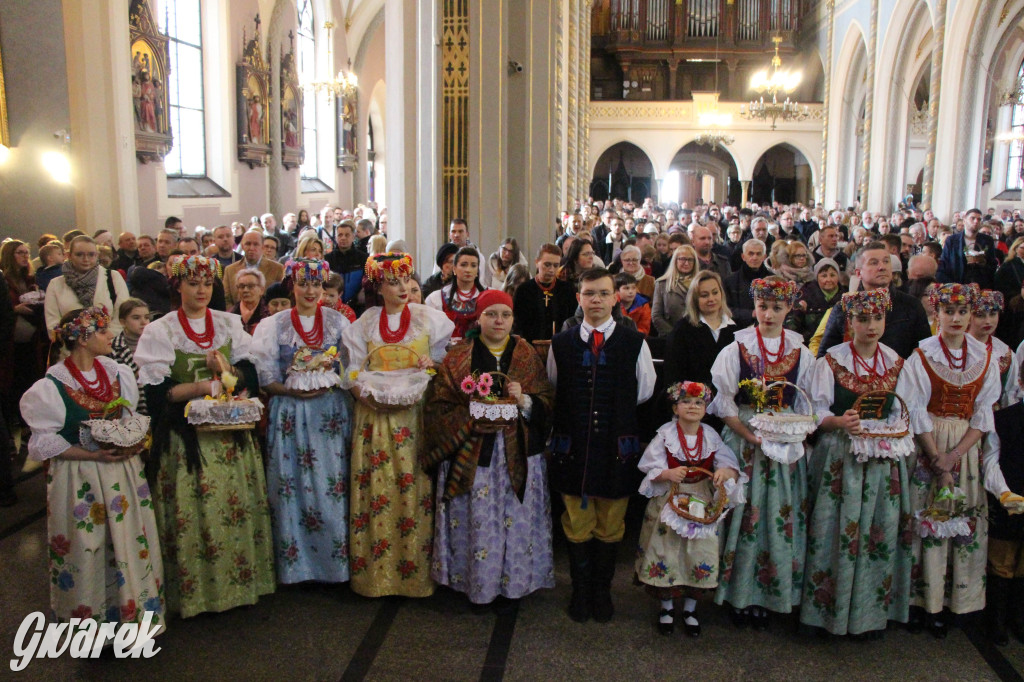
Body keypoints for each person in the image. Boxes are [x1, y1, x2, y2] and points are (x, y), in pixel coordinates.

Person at [135, 254, 275, 617]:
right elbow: (159, 393)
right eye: (193, 282)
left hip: (229, 434)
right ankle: (194, 592)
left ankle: (239, 582)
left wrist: (227, 369)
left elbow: (250, 374)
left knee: (233, 507)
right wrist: (208, 383)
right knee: (193, 511)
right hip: (186, 439)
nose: (200, 290)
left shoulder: (228, 324)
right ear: (177, 285)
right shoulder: (160, 330)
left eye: (207, 283)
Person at [20, 307, 165, 632]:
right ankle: (93, 628)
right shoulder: (52, 386)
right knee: (89, 547)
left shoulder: (116, 372)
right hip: (80, 477)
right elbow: (44, 443)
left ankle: (136, 618)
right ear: (82, 339)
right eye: (102, 331)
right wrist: (92, 455)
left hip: (121, 474)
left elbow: (129, 417)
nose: (110, 336)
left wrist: (134, 440)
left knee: (126, 543)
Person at [424, 289, 555, 608]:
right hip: (472, 455)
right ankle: (475, 584)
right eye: (491, 314)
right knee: (478, 522)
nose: (499, 320)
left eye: (505, 315)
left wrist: (524, 399)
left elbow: (546, 402)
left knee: (515, 519)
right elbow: (439, 405)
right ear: (478, 317)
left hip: (517, 453)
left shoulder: (526, 355)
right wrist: (470, 417)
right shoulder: (457, 357)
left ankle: (515, 584)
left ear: (513, 318)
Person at [799, 289, 915, 637]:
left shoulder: (895, 360)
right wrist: (837, 422)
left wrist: (891, 428)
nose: (871, 325)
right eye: (862, 319)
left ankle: (868, 614)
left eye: (877, 318)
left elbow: (903, 409)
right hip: (840, 456)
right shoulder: (831, 360)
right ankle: (824, 614)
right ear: (849, 322)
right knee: (833, 529)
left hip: (880, 458)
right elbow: (812, 410)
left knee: (875, 531)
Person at [341, 253, 455, 598]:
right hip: (374, 417)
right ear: (378, 286)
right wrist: (363, 393)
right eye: (393, 281)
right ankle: (374, 576)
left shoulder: (428, 320)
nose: (403, 287)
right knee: (377, 487)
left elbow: (442, 367)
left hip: (413, 418)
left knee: (412, 488)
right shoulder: (364, 324)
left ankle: (414, 574)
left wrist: (429, 364)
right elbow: (351, 370)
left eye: (406, 280)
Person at [547, 267, 656, 623]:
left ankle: (601, 591)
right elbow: (554, 384)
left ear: (615, 298)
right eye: (589, 293)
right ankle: (580, 591)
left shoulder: (635, 342)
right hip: (572, 446)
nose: (596, 300)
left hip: (616, 448)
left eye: (603, 293)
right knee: (577, 521)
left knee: (611, 523)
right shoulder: (561, 343)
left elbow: (644, 391)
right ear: (578, 298)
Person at [709, 277, 815, 630]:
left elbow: (808, 404)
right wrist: (751, 437)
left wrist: (789, 432)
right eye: (763, 307)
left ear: (788, 310)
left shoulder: (801, 352)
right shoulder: (736, 348)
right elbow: (723, 405)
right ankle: (739, 592)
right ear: (754, 308)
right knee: (745, 516)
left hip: (783, 446)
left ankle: (773, 593)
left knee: (777, 517)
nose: (768, 314)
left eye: (777, 308)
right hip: (745, 441)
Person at [899, 283, 1001, 637]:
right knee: (924, 518)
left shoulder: (984, 357)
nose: (956, 318)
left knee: (962, 521)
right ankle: (919, 603)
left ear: (971, 314)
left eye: (962, 312)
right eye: (948, 312)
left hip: (965, 447)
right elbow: (913, 408)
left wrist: (955, 456)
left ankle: (956, 603)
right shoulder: (922, 355)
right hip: (927, 445)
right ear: (936, 314)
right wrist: (936, 457)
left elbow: (984, 414)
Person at [251, 259, 354, 585]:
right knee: (290, 487)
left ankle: (331, 566)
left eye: (317, 285)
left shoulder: (338, 322)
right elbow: (265, 378)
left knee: (329, 485)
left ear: (324, 288)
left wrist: (328, 382)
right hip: (291, 414)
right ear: (291, 286)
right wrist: (295, 391)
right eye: (303, 284)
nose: (310, 291)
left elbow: (351, 371)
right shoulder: (274, 325)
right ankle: (296, 568)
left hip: (329, 415)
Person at [635, 381, 741, 636]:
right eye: (686, 402)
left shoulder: (711, 435)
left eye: (699, 403)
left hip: (700, 499)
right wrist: (667, 472)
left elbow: (728, 463)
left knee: (698, 551)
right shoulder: (665, 435)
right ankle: (667, 606)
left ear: (706, 409)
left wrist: (725, 472)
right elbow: (649, 466)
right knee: (667, 550)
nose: (692, 407)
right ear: (675, 407)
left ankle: (691, 608)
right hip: (670, 498)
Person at [818, 242, 932, 359]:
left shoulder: (911, 305)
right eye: (874, 262)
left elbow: (924, 353)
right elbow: (825, 357)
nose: (882, 267)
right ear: (858, 273)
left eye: (886, 261)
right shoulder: (844, 308)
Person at [982, 386, 1024, 645]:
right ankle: (995, 621)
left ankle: (1017, 618)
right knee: (1002, 561)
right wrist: (1005, 494)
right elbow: (990, 461)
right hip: (1010, 498)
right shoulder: (1005, 419)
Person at [44, 235, 131, 339]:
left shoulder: (113, 277)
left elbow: (123, 314)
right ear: (69, 255)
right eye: (79, 254)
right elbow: (53, 324)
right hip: (72, 349)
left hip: (108, 345)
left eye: (91, 254)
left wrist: (103, 338)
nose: (86, 259)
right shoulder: (56, 284)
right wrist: (77, 342)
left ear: (97, 255)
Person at [663, 270, 736, 389]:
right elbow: (673, 375)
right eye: (704, 295)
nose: (711, 299)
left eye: (715, 292)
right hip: (694, 401)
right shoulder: (682, 330)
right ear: (695, 299)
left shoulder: (734, 329)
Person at [512, 244, 577, 343]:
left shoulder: (567, 290)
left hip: (561, 345)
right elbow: (518, 323)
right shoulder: (524, 290)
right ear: (537, 263)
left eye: (556, 265)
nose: (551, 270)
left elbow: (573, 321)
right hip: (530, 346)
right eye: (547, 264)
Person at [969, 290, 1020, 408]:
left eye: (992, 314)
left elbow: (1010, 393)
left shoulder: (1004, 352)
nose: (988, 321)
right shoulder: (956, 348)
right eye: (980, 315)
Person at [424, 247, 483, 339]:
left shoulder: (488, 295)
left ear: (477, 270)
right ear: (454, 269)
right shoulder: (436, 298)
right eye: (463, 265)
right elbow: (428, 331)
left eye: (473, 265)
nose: (468, 269)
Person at [937, 208, 1000, 288]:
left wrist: (982, 263)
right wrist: (951, 285)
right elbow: (944, 263)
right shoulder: (952, 240)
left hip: (980, 285)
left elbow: (992, 264)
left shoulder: (987, 240)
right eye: (972, 218)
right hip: (957, 284)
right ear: (964, 221)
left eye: (979, 219)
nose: (976, 221)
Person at [109, 297, 151, 415]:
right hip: (128, 409)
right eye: (136, 318)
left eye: (147, 317)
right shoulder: (112, 348)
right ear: (123, 322)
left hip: (156, 405)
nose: (144, 322)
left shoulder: (158, 344)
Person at [224, 231, 285, 307]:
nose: (251, 248)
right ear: (242, 246)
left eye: (256, 244)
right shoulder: (229, 270)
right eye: (248, 244)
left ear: (262, 247)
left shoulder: (277, 268)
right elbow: (227, 299)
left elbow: (282, 297)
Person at [789, 258, 841, 345]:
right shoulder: (806, 293)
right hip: (808, 344)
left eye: (832, 275)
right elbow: (793, 322)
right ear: (817, 277)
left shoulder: (845, 295)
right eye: (824, 276)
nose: (828, 280)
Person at [723, 239, 772, 329]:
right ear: (743, 256)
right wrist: (750, 314)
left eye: (758, 254)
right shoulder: (730, 281)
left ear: (764, 256)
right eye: (751, 253)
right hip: (739, 328)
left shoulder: (773, 280)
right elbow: (725, 309)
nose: (754, 257)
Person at [651, 245, 699, 337]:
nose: (686, 263)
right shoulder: (662, 284)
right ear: (675, 260)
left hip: (697, 336)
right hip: (669, 337)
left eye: (690, 260)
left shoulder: (701, 284)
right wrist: (675, 335)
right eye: (682, 259)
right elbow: (656, 316)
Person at [324, 220, 369, 309]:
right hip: (333, 306)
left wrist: (363, 291)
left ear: (353, 237)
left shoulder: (363, 258)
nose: (343, 238)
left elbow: (367, 280)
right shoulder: (327, 259)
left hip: (357, 307)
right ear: (336, 237)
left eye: (347, 235)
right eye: (340, 235)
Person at [230, 270, 270, 335]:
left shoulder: (269, 314)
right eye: (242, 286)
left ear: (262, 290)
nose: (245, 290)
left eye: (251, 286)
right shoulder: (230, 315)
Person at [615, 272, 651, 336]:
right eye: (626, 288)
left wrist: (631, 334)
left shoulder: (643, 304)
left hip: (635, 338)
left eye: (633, 288)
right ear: (617, 291)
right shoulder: (612, 304)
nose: (631, 291)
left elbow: (644, 329)